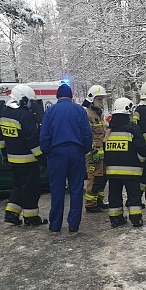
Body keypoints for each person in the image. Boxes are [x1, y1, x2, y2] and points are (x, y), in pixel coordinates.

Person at [40, 83, 93, 233]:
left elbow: (44, 136)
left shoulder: (50, 112)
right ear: (71, 97)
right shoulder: (79, 111)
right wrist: (85, 149)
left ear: (57, 97)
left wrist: (47, 152)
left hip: (57, 154)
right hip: (76, 152)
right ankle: (74, 224)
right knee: (76, 189)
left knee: (57, 189)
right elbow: (87, 134)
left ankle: (55, 224)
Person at [0, 84, 48, 227]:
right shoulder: (24, 116)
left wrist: (4, 155)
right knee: (31, 189)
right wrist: (42, 158)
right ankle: (31, 218)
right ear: (22, 99)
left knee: (18, 186)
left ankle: (11, 214)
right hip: (28, 160)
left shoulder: (3, 113)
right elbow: (32, 141)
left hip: (12, 159)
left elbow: (1, 139)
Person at [104, 97, 146, 228]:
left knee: (114, 195)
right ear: (128, 110)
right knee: (134, 195)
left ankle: (115, 219)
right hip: (132, 170)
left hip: (112, 171)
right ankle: (136, 219)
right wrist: (141, 160)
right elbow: (142, 148)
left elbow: (105, 149)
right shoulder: (133, 128)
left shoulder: (109, 130)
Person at [83, 85, 109, 213]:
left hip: (102, 153)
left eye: (102, 99)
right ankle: (90, 203)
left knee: (103, 177)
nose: (101, 102)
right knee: (94, 178)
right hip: (93, 154)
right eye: (99, 99)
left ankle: (99, 200)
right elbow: (87, 135)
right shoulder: (87, 114)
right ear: (92, 99)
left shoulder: (99, 114)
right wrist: (93, 151)